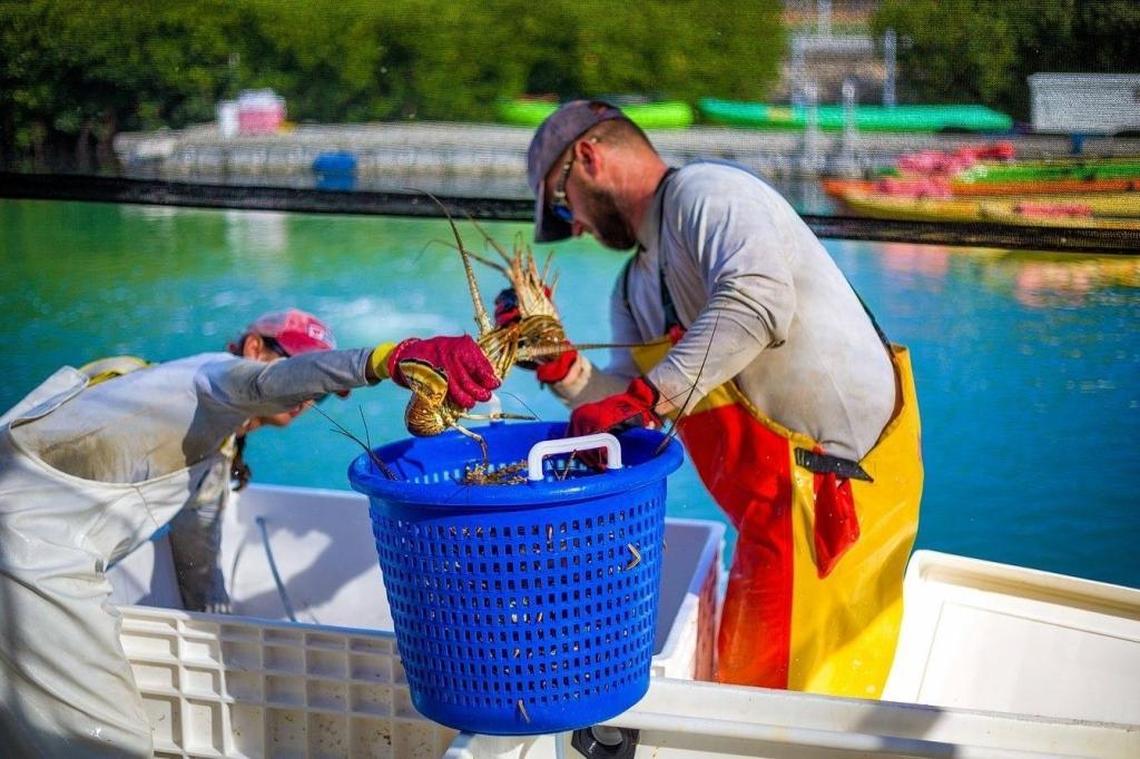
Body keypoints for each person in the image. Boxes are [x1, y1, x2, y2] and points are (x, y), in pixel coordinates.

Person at [514, 100, 923, 697]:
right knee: (747, 694)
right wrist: (561, 368)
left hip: (833, 497)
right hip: (767, 516)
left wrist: (649, 396)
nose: (573, 225)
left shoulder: (710, 194)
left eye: (560, 203)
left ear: (589, 157)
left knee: (808, 705)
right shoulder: (634, 288)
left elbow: (756, 304)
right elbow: (630, 404)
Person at [0, 308, 499, 757]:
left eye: (320, 392)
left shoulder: (213, 452)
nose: (307, 397)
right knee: (109, 744)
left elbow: (198, 560)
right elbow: (268, 385)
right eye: (303, 372)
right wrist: (388, 359)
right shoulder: (211, 376)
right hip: (27, 557)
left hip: (43, 556)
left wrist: (225, 643)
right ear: (256, 348)